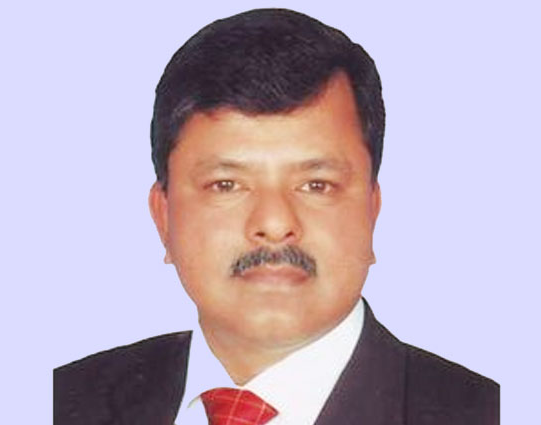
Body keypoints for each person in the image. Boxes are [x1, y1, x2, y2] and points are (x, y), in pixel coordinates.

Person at [54, 8, 499, 425]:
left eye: (316, 185)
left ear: (371, 210)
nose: (274, 223)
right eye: (226, 185)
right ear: (163, 217)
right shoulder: (59, 401)